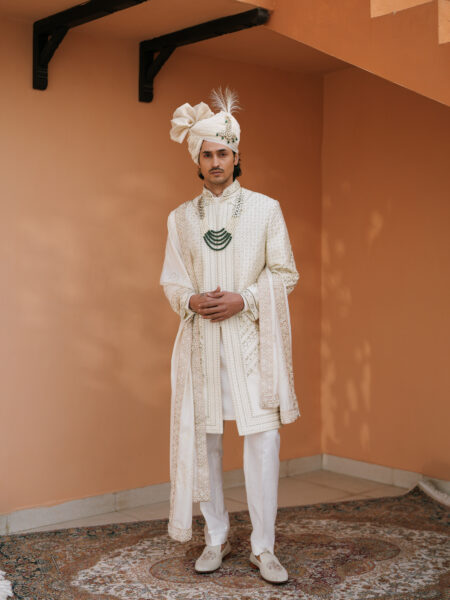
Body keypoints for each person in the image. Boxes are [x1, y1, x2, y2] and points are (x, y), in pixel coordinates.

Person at [159, 87, 300, 584]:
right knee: (208, 443)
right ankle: (215, 538)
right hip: (201, 349)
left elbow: (285, 273)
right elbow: (171, 280)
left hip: (251, 349)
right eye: (207, 154)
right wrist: (189, 300)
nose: (215, 161)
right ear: (197, 160)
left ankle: (264, 548)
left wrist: (246, 298)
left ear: (238, 156)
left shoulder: (266, 210)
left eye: (223, 153)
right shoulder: (179, 219)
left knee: (262, 441)